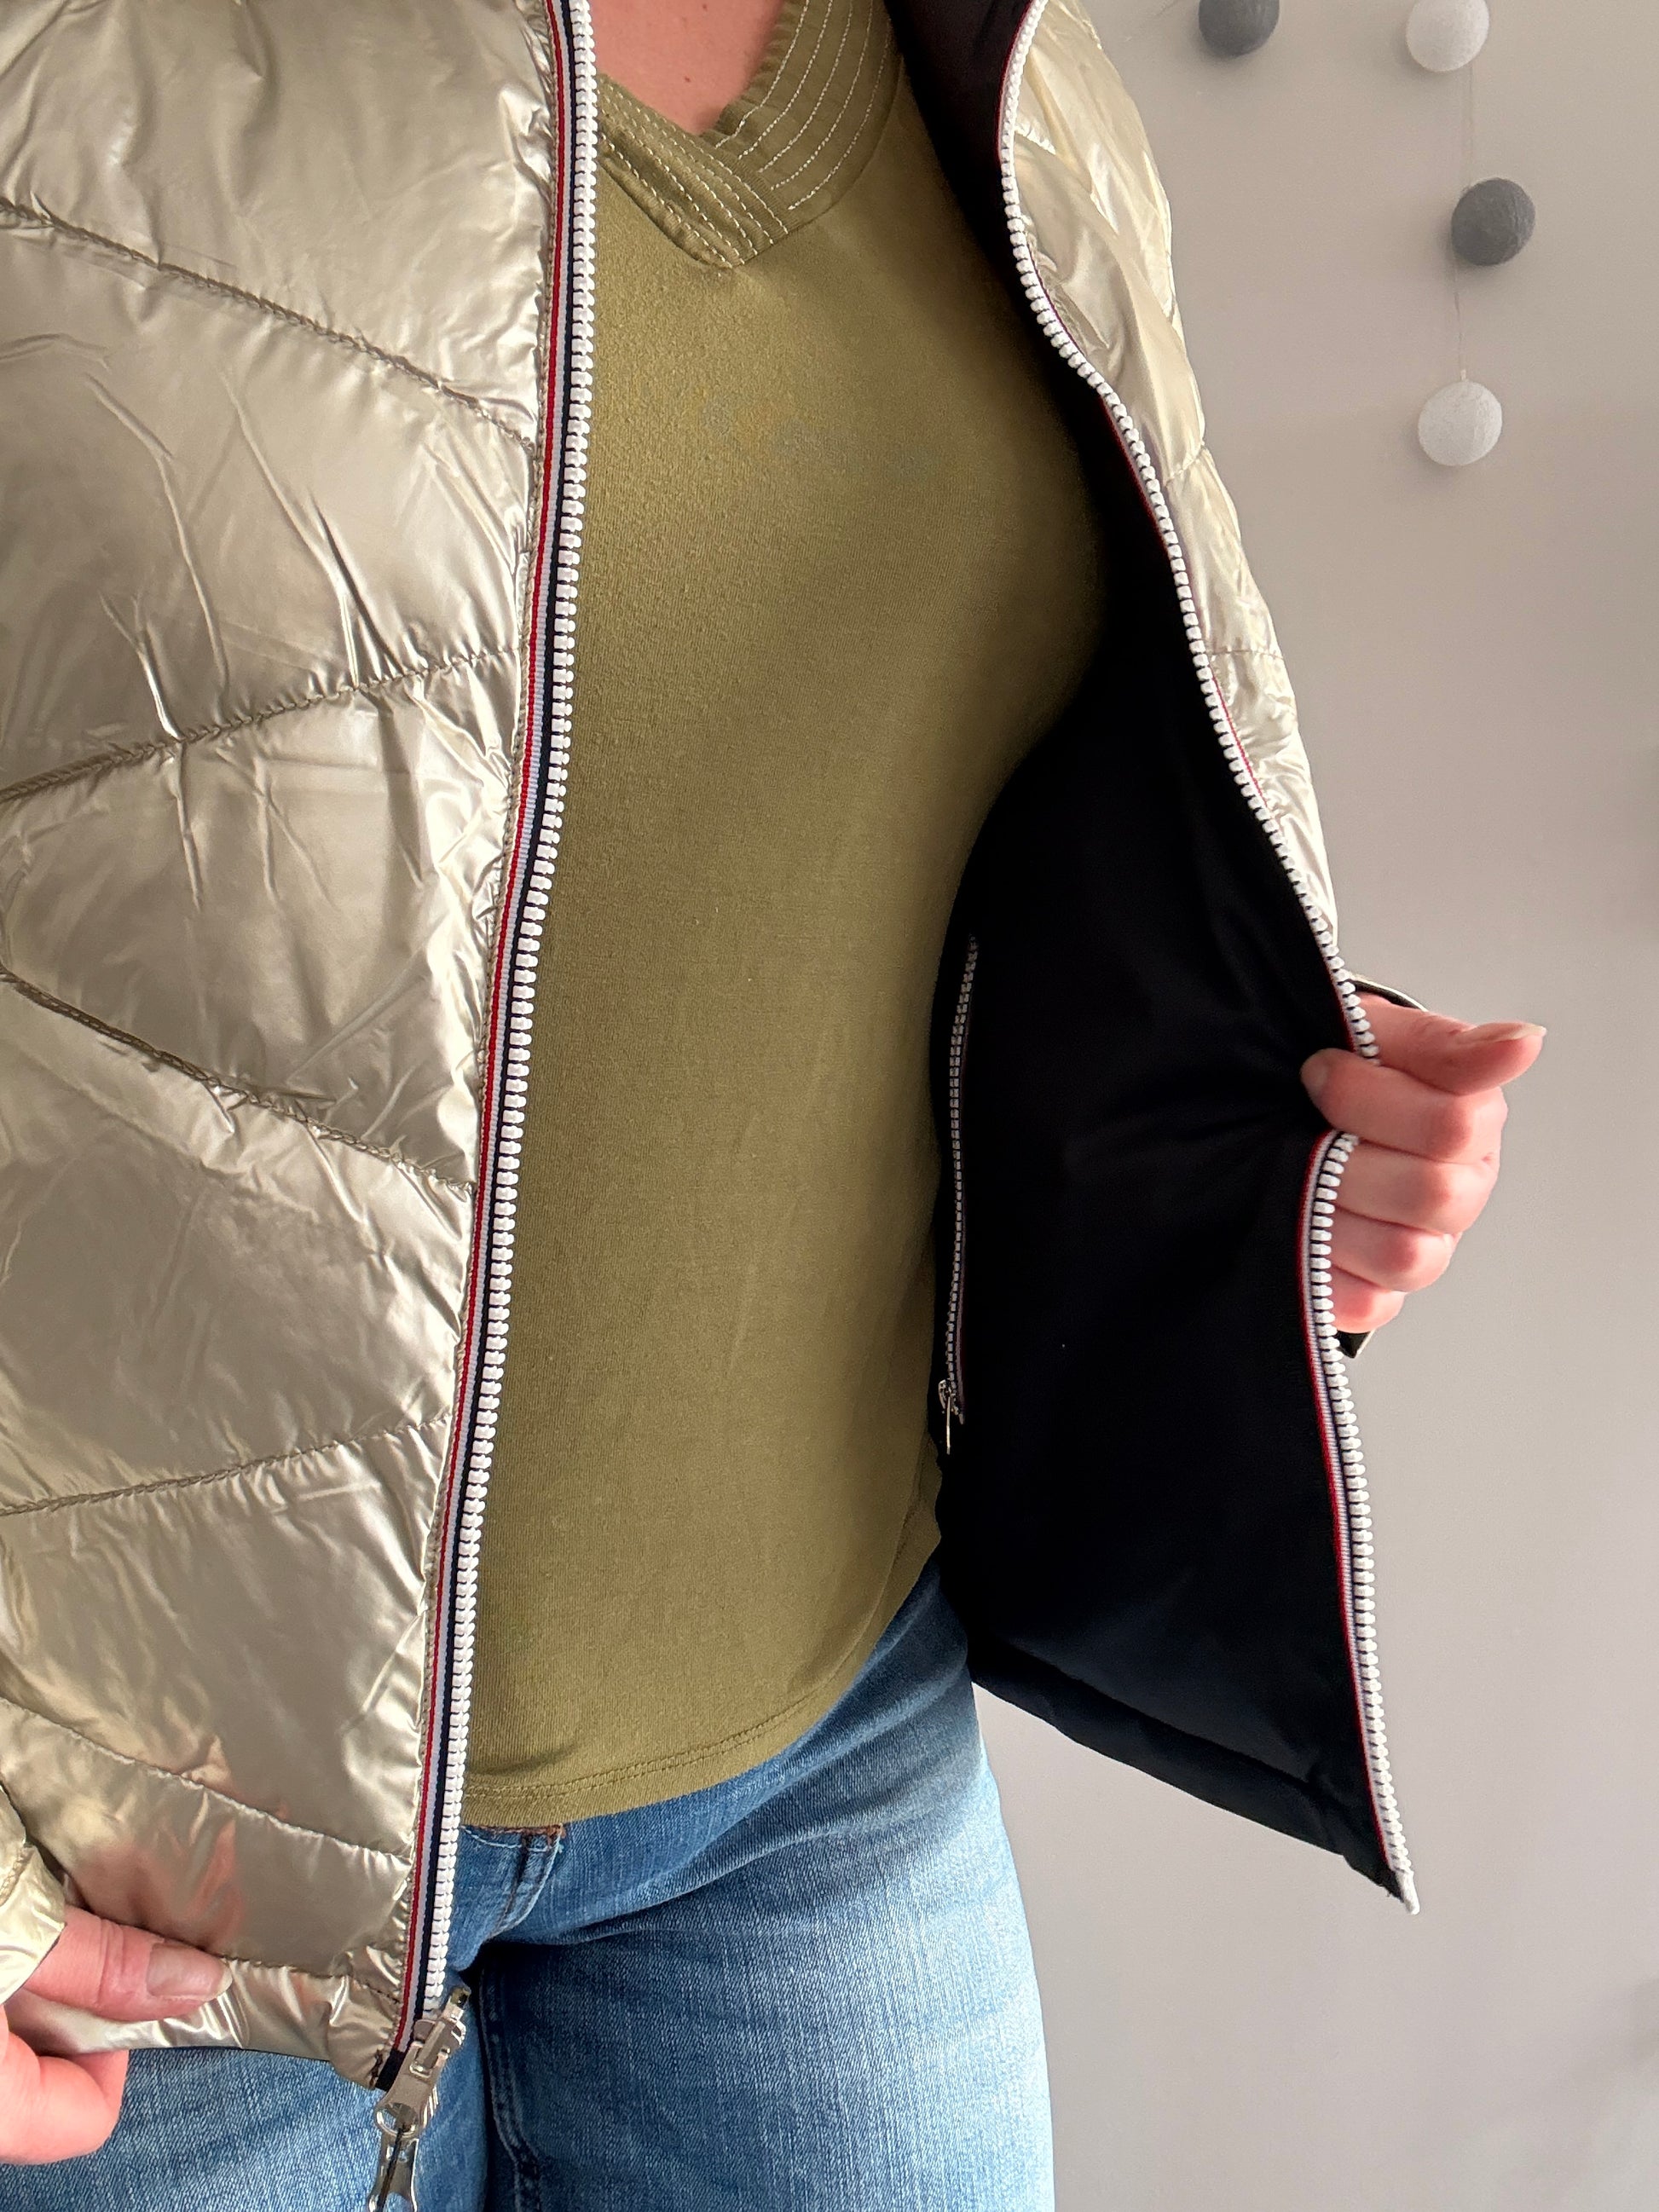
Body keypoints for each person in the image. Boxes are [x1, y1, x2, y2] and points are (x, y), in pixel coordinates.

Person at [0, 0, 1541, 2202]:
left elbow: (879, 845)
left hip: (815, 1784)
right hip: (137, 1876)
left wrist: (1242, 1147)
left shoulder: (1019, 80)